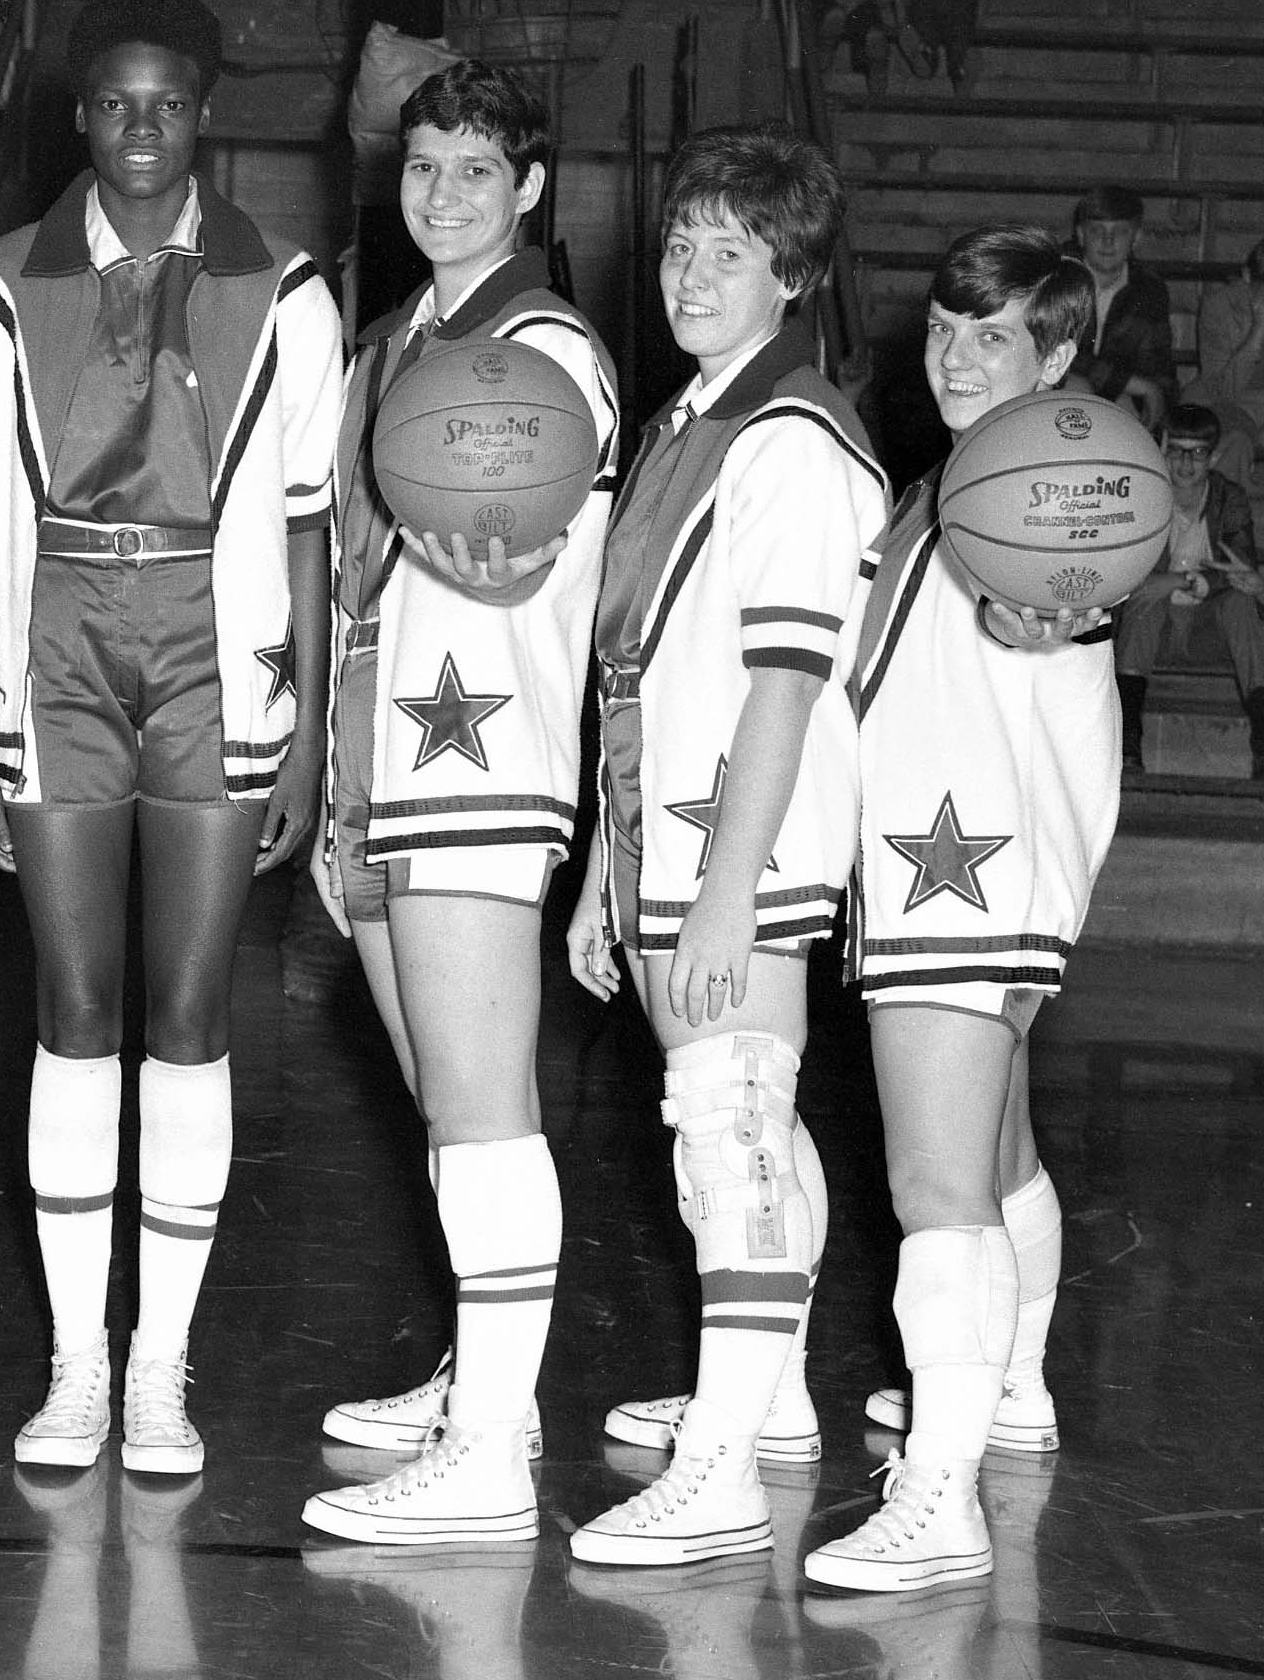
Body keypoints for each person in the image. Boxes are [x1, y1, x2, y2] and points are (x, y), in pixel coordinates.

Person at [0, 0, 342, 1475]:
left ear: (205, 110)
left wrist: (303, 724)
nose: (140, 127)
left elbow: (305, 523)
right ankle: (72, 1365)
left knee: (188, 1012)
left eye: (167, 101)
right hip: (50, 656)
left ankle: (157, 1362)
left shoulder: (287, 287)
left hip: (215, 657)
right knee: (73, 1005)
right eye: (113, 101)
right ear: (79, 113)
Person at [299, 60, 621, 1543]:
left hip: (478, 745)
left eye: (475, 171)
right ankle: (476, 1381)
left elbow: (560, 554)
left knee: (483, 1103)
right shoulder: (390, 346)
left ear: (530, 189)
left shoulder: (539, 346)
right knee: (443, 1092)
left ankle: (489, 1450)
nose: (440, 194)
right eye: (421, 167)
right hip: (388, 739)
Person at [565, 123, 887, 1566]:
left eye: (728, 247)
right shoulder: (688, 422)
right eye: (679, 239)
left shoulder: (792, 443)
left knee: (728, 1128)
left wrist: (719, 897)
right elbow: (636, 666)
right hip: (672, 837)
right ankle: (766, 1411)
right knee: (746, 1124)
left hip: (735, 849)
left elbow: (780, 683)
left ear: (793, 275)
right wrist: (606, 869)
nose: (689, 267)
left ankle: (721, 1469)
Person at [804, 226, 1106, 1591]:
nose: (950, 353)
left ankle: (938, 1491)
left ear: (1057, 357)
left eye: (989, 335)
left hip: (966, 858)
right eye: (938, 326)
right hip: (980, 856)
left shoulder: (1047, 490)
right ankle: (1012, 1389)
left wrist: (1051, 615)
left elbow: (1064, 598)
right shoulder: (947, 481)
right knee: (986, 1156)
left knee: (931, 1180)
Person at [1113, 403, 1264, 778]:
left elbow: (1239, 570)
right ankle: (1127, 741)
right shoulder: (1142, 494)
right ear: (1162, 449)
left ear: (1214, 456)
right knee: (1144, 601)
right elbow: (1128, 570)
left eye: (1198, 453)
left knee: (1241, 603)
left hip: (1211, 627)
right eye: (1176, 451)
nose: (1186, 464)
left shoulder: (1229, 497)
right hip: (1154, 629)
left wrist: (1180, 580)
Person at [1185, 235, 1264, 490]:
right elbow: (1220, 389)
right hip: (1225, 403)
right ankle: (1227, 525)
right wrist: (1257, 334)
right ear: (1247, 277)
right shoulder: (1218, 305)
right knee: (1233, 444)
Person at [1068, 186, 1176, 433]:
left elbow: (1159, 367)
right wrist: (1128, 384)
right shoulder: (1059, 276)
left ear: (1136, 238)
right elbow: (1052, 354)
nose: (1108, 241)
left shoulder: (1150, 290)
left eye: (1120, 231)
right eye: (1098, 230)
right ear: (1081, 235)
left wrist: (1153, 401)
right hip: (1062, 390)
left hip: (1123, 399)